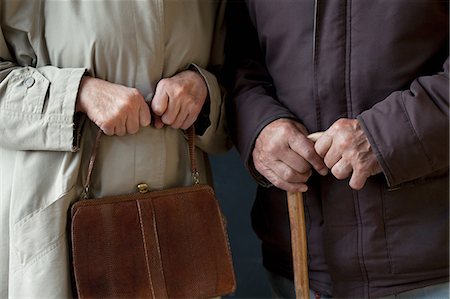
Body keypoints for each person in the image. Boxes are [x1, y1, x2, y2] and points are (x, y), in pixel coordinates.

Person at [0, 1, 229, 298]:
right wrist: (77, 94)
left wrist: (203, 89)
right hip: (56, 225)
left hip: (176, 233)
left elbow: (242, 78)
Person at [226, 0, 449, 298]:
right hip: (298, 268)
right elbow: (238, 59)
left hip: (428, 265)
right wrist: (261, 127)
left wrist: (382, 136)